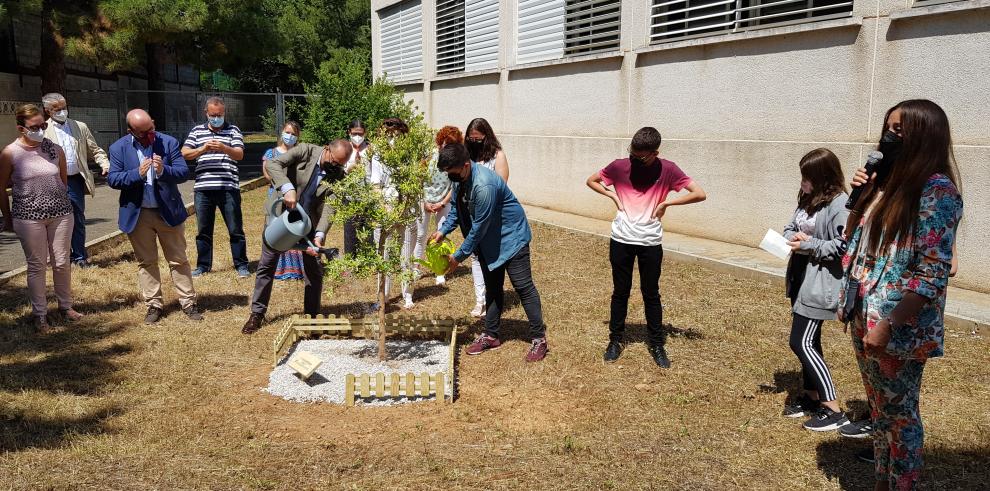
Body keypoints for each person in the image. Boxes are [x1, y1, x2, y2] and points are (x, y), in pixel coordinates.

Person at [839, 99, 963, 490]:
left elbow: (933, 273)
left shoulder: (937, 192)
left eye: (899, 130)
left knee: (900, 412)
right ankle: (882, 482)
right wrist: (862, 197)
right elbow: (851, 240)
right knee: (879, 409)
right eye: (888, 128)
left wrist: (890, 324)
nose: (889, 137)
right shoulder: (887, 184)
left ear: (924, 137)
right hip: (865, 309)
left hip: (897, 326)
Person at [585, 127, 706, 368]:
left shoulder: (668, 169)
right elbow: (591, 180)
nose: (634, 159)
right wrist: (613, 196)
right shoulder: (619, 166)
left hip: (650, 241)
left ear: (655, 153)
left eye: (640, 156)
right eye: (632, 153)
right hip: (621, 239)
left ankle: (657, 343)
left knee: (651, 293)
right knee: (620, 291)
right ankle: (615, 341)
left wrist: (668, 203)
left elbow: (699, 193)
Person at [431, 143, 549, 362]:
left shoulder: (484, 185)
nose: (450, 177)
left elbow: (478, 229)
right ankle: (491, 335)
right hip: (489, 240)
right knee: (493, 288)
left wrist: (457, 257)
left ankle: (539, 338)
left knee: (523, 287)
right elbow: (457, 209)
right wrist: (442, 231)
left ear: (465, 165)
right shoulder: (461, 178)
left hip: (511, 238)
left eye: (452, 172)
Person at [241, 139, 351, 334]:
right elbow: (273, 164)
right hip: (281, 218)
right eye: (334, 161)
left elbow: (330, 206)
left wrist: (320, 233)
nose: (336, 166)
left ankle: (312, 318)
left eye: (340, 164)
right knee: (267, 265)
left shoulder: (338, 175)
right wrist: (287, 187)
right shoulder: (306, 151)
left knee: (314, 271)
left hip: (308, 223)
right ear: (327, 150)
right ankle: (256, 314)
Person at [107, 109, 203, 324]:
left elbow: (183, 173)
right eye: (143, 132)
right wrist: (137, 174)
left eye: (151, 128)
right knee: (146, 261)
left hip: (167, 211)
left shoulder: (168, 143)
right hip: (138, 214)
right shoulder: (118, 148)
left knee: (178, 259)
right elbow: (113, 179)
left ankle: (188, 302)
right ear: (131, 131)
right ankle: (154, 305)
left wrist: (163, 170)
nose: (150, 133)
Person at [779, 148, 851, 431]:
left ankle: (833, 408)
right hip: (800, 276)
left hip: (820, 282)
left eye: (807, 177)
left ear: (823, 177)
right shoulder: (808, 199)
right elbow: (790, 226)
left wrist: (808, 244)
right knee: (812, 340)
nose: (802, 183)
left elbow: (843, 246)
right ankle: (811, 396)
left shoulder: (840, 204)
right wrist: (792, 238)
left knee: (801, 342)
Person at [0, 104, 83, 332]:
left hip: (61, 214)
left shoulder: (55, 149)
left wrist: (59, 203)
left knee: (61, 262)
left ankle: (66, 307)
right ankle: (40, 315)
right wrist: (7, 217)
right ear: (21, 128)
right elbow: (1, 188)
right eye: (34, 127)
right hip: (28, 217)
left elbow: (63, 182)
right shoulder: (10, 153)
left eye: (43, 125)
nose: (40, 129)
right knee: (37, 265)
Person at [181, 96, 249, 278]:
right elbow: (185, 153)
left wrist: (224, 147)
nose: (216, 118)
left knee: (235, 229)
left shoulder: (233, 130)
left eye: (219, 115)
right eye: (213, 115)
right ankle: (203, 266)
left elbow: (239, 154)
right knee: (203, 230)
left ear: (224, 113)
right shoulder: (197, 131)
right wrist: (202, 149)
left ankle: (241, 264)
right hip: (203, 189)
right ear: (206, 113)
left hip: (228, 187)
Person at [41, 92, 111, 269]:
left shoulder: (79, 127)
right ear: (48, 111)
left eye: (64, 107)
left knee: (77, 218)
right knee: (56, 220)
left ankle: (79, 257)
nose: (62, 112)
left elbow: (95, 150)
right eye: (57, 109)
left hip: (75, 181)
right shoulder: (43, 130)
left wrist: (104, 164)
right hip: (53, 182)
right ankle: (59, 259)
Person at [463, 117, 509, 317]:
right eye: (471, 139)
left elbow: (501, 185)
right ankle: (479, 300)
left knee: (491, 257)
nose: (474, 143)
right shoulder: (468, 157)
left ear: (486, 137)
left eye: (478, 139)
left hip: (492, 215)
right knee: (475, 256)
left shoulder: (497, 156)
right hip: (472, 214)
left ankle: (492, 297)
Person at [415, 126, 460, 286]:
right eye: (444, 143)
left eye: (451, 144)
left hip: (444, 202)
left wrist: (443, 203)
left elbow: (454, 186)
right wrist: (424, 202)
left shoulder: (455, 161)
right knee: (420, 236)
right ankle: (416, 268)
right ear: (439, 141)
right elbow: (418, 181)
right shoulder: (428, 158)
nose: (445, 147)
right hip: (425, 201)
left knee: (441, 236)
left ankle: (440, 270)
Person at [262, 121, 305, 281]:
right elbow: (267, 174)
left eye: (293, 134)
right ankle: (277, 267)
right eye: (287, 132)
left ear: (297, 136)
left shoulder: (299, 153)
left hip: (296, 196)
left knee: (293, 229)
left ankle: (295, 268)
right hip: (276, 195)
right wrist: (283, 185)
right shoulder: (271, 153)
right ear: (282, 133)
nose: (290, 136)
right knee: (276, 228)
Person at [342, 119, 371, 256]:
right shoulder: (344, 148)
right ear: (349, 132)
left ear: (365, 133)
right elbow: (338, 171)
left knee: (368, 227)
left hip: (368, 194)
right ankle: (351, 258)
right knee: (350, 228)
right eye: (354, 133)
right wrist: (348, 169)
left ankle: (369, 256)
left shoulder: (371, 148)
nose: (357, 137)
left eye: (360, 133)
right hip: (350, 194)